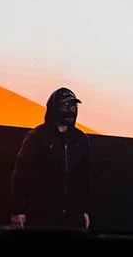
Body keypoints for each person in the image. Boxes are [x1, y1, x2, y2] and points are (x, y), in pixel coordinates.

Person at [10, 87, 92, 229]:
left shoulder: (81, 139)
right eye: (66, 105)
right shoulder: (37, 136)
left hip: (72, 215)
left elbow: (85, 177)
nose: (71, 109)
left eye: (74, 106)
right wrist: (18, 209)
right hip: (41, 214)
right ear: (55, 107)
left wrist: (85, 209)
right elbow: (21, 174)